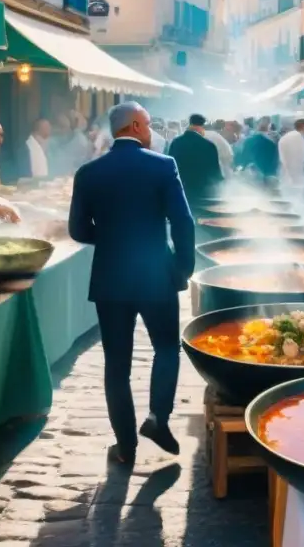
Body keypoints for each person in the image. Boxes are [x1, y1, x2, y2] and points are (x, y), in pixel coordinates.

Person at [69, 102, 194, 465]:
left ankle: (125, 448)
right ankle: (158, 418)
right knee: (167, 348)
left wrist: (111, 239)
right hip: (156, 272)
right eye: (149, 124)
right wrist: (183, 267)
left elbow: (77, 230)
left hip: (110, 276)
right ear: (136, 125)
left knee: (116, 364)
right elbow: (183, 222)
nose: (151, 130)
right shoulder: (162, 166)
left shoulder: (89, 172)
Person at [167, 114, 223, 203]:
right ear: (202, 127)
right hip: (203, 193)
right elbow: (215, 172)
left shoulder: (176, 142)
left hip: (181, 191)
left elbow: (169, 168)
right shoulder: (209, 145)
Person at [278, 118, 304, 190]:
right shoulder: (297, 138)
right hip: (294, 177)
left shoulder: (287, 136)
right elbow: (299, 158)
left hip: (286, 175)